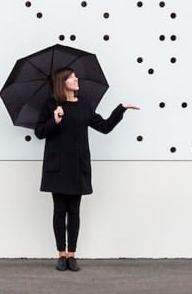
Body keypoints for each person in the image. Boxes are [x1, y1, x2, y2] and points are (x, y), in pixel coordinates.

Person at [34, 67, 139, 272]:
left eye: (75, 75)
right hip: (57, 167)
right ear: (62, 82)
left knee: (74, 211)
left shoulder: (84, 105)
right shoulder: (51, 106)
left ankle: (72, 255)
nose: (76, 78)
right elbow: (40, 132)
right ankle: (61, 255)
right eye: (72, 77)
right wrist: (54, 120)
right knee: (59, 210)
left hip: (78, 166)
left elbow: (105, 127)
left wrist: (121, 109)